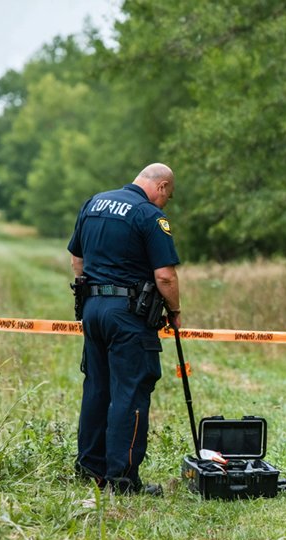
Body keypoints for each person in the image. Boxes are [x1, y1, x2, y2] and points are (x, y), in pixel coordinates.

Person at [67, 163, 182, 496]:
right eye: (167, 196)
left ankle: (91, 470)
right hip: (128, 315)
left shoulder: (94, 203)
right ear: (161, 186)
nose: (165, 203)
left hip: (92, 309)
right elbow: (165, 276)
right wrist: (174, 310)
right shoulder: (149, 216)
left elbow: (78, 261)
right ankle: (122, 478)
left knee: (97, 388)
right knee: (129, 392)